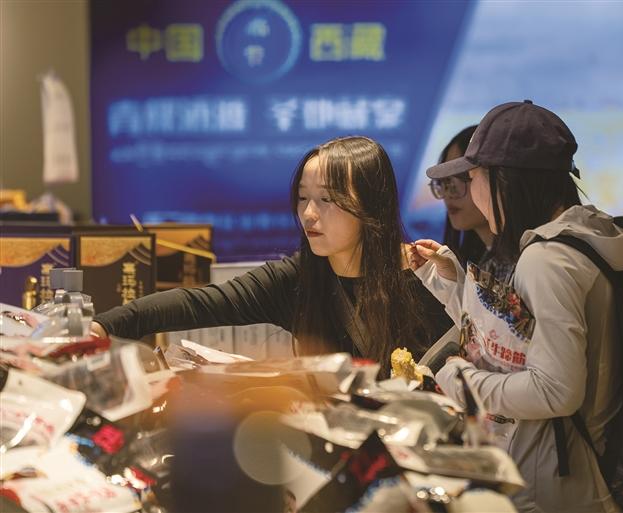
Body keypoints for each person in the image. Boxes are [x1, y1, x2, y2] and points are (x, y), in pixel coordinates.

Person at [409, 100, 623, 512]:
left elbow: (555, 391)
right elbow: (517, 340)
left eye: (471, 177)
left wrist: (461, 381)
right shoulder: (583, 236)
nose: (470, 191)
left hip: (555, 483)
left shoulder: (546, 259)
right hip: (576, 469)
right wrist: (453, 286)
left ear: (503, 181)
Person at [92, 136, 453, 376]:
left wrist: (454, 285)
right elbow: (200, 303)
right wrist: (105, 325)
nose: (308, 213)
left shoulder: (426, 273)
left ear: (372, 205)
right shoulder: (298, 279)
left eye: (327, 199)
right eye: (303, 197)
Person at [429, 125, 493, 266]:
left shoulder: (529, 259)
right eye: (444, 180)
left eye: (462, 176)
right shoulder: (476, 262)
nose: (448, 193)